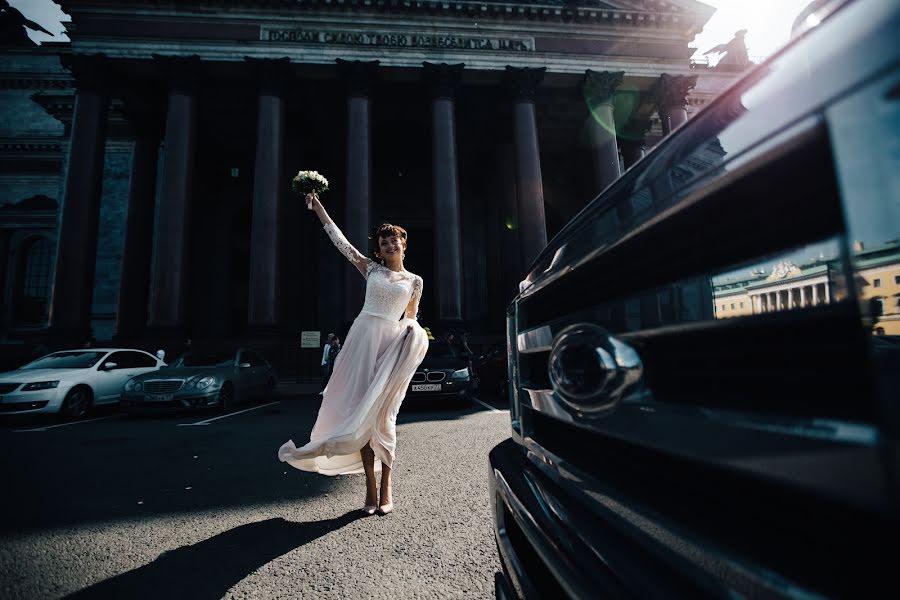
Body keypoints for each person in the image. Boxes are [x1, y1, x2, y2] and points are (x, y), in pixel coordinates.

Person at [278, 191, 428, 516]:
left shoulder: (414, 281)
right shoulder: (371, 270)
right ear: (379, 249)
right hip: (362, 342)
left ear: (404, 245)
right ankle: (370, 492)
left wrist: (414, 341)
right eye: (384, 242)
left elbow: (411, 319)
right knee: (359, 414)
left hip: (390, 347)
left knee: (385, 418)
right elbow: (339, 240)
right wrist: (318, 207)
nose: (390, 246)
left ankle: (387, 488)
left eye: (395, 241)